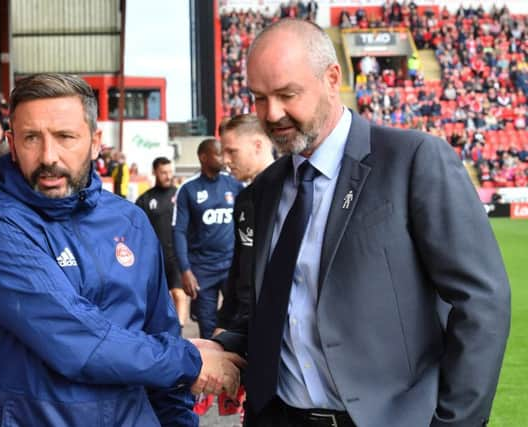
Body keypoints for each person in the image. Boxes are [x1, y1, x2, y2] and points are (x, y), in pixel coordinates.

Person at [213, 19, 510, 427]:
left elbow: (481, 301)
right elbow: (273, 310)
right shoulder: (261, 192)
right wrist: (219, 347)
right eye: (259, 98)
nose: (272, 113)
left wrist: (456, 422)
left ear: (333, 78)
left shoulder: (414, 160)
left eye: (287, 94)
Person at [0, 73, 244, 426]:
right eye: (32, 138)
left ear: (94, 142)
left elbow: (160, 339)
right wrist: (190, 360)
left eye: (65, 137)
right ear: (12, 145)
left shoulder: (130, 222)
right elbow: (78, 341)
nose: (49, 156)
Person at [172, 138, 243, 339]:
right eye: (219, 153)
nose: (224, 158)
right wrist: (185, 270)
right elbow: (178, 232)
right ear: (203, 157)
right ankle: (210, 368)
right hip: (202, 269)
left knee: (238, 319)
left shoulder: (234, 184)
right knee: (207, 325)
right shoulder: (188, 189)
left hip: (231, 265)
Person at [214, 113, 275, 334]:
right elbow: (239, 262)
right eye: (223, 153)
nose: (226, 160)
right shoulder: (243, 198)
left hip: (272, 317)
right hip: (241, 317)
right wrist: (223, 320)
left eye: (232, 152)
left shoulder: (291, 193)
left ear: (257, 145)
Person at [136, 156, 189, 327]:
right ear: (155, 172)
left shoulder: (180, 195)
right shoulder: (145, 199)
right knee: (158, 295)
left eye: (170, 172)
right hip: (154, 256)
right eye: (163, 172)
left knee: (178, 293)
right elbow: (136, 229)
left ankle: (179, 328)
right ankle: (162, 328)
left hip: (176, 254)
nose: (168, 176)